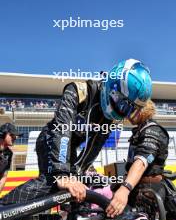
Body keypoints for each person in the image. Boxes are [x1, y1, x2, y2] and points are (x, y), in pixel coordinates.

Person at [0, 59, 152, 208]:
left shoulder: (110, 120)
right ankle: (3, 207)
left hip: (70, 145)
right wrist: (62, 174)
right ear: (112, 86)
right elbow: (62, 129)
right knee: (53, 181)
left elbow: (94, 147)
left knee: (76, 186)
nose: (123, 111)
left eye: (129, 108)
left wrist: (76, 175)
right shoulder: (79, 91)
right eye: (122, 103)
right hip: (51, 136)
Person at [106, 100, 169, 217]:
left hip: (149, 190)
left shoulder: (152, 130)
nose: (127, 115)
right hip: (137, 188)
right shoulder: (140, 130)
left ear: (142, 111)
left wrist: (125, 188)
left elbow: (142, 161)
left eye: (131, 111)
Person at [0, 123, 23, 193]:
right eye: (11, 135)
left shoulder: (9, 154)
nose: (15, 137)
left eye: (15, 136)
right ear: (3, 134)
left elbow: (4, 176)